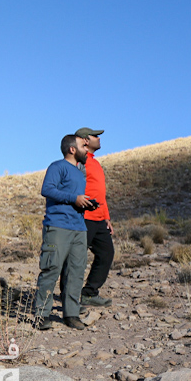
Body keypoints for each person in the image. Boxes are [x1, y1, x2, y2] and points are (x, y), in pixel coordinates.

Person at [33, 134, 92, 330]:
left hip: (79, 228)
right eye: (83, 146)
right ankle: (41, 315)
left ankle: (71, 315)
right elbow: (47, 189)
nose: (86, 149)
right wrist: (74, 198)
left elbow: (75, 198)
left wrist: (86, 204)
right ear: (72, 149)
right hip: (58, 226)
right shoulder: (57, 167)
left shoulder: (80, 172)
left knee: (76, 272)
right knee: (51, 269)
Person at [62, 127, 115, 309]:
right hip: (83, 218)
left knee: (106, 253)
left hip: (99, 220)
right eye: (95, 136)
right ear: (85, 140)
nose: (99, 138)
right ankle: (68, 298)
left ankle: (89, 293)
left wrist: (106, 217)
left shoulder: (95, 163)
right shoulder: (79, 162)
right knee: (75, 259)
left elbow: (100, 193)